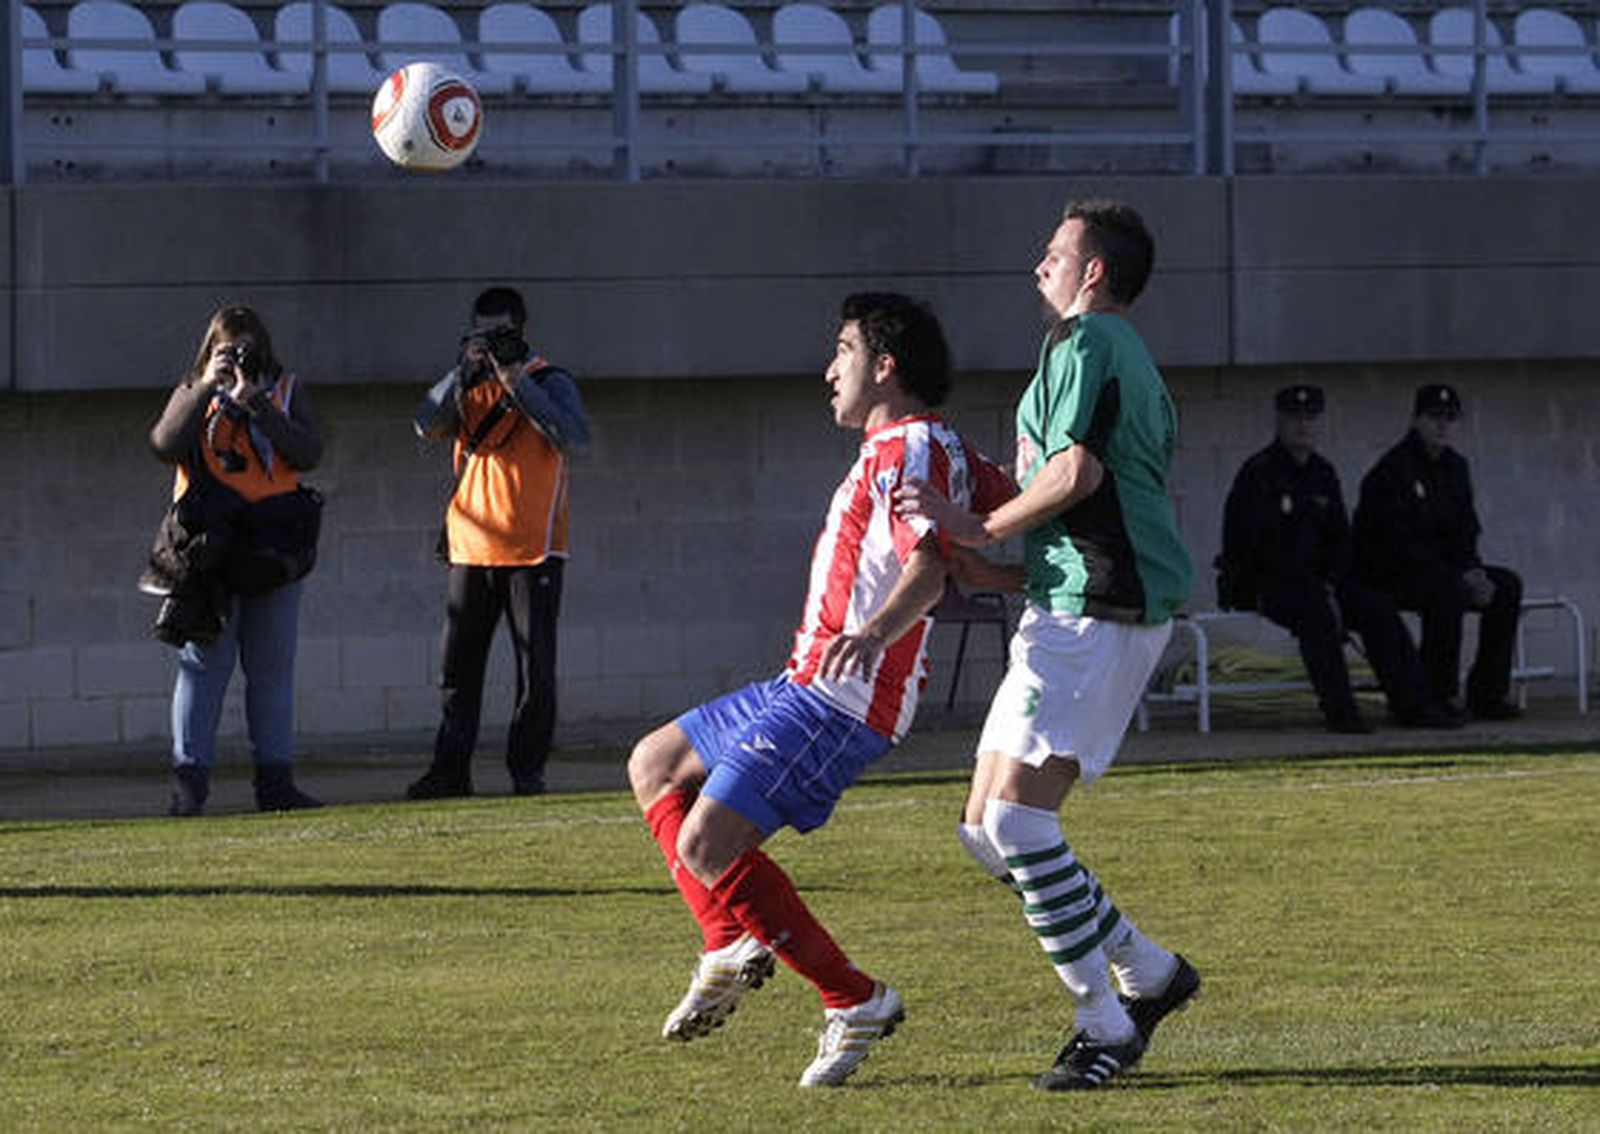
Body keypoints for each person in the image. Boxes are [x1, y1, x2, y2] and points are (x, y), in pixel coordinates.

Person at [626, 292, 1013, 1088]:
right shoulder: (906, 448)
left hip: (843, 698)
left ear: (885, 364)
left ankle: (855, 998)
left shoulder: (912, 446)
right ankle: (727, 941)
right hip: (802, 682)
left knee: (705, 844)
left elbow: (928, 567)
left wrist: (872, 636)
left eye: (842, 349)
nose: (828, 369)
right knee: (654, 762)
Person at [895, 200, 1199, 1091]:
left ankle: (1104, 1025)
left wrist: (980, 526)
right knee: (987, 832)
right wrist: (1001, 566)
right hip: (1071, 601)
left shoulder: (1093, 344)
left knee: (1022, 824)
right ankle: (1147, 971)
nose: (1040, 265)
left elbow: (1078, 475)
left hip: (1101, 608)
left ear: (1093, 272)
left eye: (1055, 253)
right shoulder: (1083, 353)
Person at [407, 286, 590, 800]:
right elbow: (425, 425)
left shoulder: (550, 380)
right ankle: (449, 770)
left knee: (535, 671)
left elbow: (575, 438)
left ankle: (526, 771)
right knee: (456, 670)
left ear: (522, 330)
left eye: (501, 334)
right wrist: (461, 372)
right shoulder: (466, 383)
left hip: (535, 547)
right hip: (470, 546)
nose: (490, 344)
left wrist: (516, 382)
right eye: (481, 334)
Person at [147, 305, 325, 816]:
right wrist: (207, 385)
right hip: (210, 550)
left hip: (273, 547)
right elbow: (163, 444)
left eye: (247, 351)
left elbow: (308, 452)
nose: (238, 362)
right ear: (209, 352)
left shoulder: (285, 390)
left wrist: (258, 404)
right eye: (228, 351)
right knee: (203, 666)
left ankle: (276, 782)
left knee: (271, 669)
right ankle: (189, 785)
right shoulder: (193, 391)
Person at [1218, 385, 1462, 732]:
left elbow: (1340, 538)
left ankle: (1414, 706)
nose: (1303, 426)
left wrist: (1332, 581)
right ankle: (1342, 712)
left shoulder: (1323, 473)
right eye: (1294, 418)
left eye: (1311, 418)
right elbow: (1257, 547)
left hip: (1323, 583)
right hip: (1268, 582)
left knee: (1375, 606)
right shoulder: (1259, 473)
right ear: (1278, 421)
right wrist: (1319, 587)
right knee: (1315, 612)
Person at [1352, 383, 1524, 721]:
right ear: (1416, 420)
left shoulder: (1456, 468)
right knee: (1448, 592)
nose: (1443, 425)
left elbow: (1465, 530)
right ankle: (1437, 694)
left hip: (1442, 571)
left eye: (1450, 418)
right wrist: (1456, 576)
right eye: (1434, 417)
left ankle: (1487, 694)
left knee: (1506, 586)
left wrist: (1474, 571)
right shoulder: (1394, 469)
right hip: (1389, 573)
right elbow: (1395, 542)